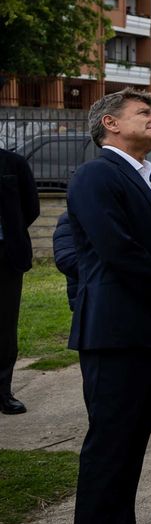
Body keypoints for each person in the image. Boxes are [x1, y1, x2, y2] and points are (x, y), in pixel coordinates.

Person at [64, 89, 151, 524]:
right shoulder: (98, 174)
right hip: (115, 331)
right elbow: (117, 248)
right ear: (110, 124)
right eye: (143, 113)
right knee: (109, 448)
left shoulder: (143, 178)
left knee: (132, 445)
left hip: (146, 328)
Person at [0, 145, 38, 416]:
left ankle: (3, 392)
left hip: (5, 257)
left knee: (4, 325)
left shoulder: (12, 163)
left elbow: (31, 206)